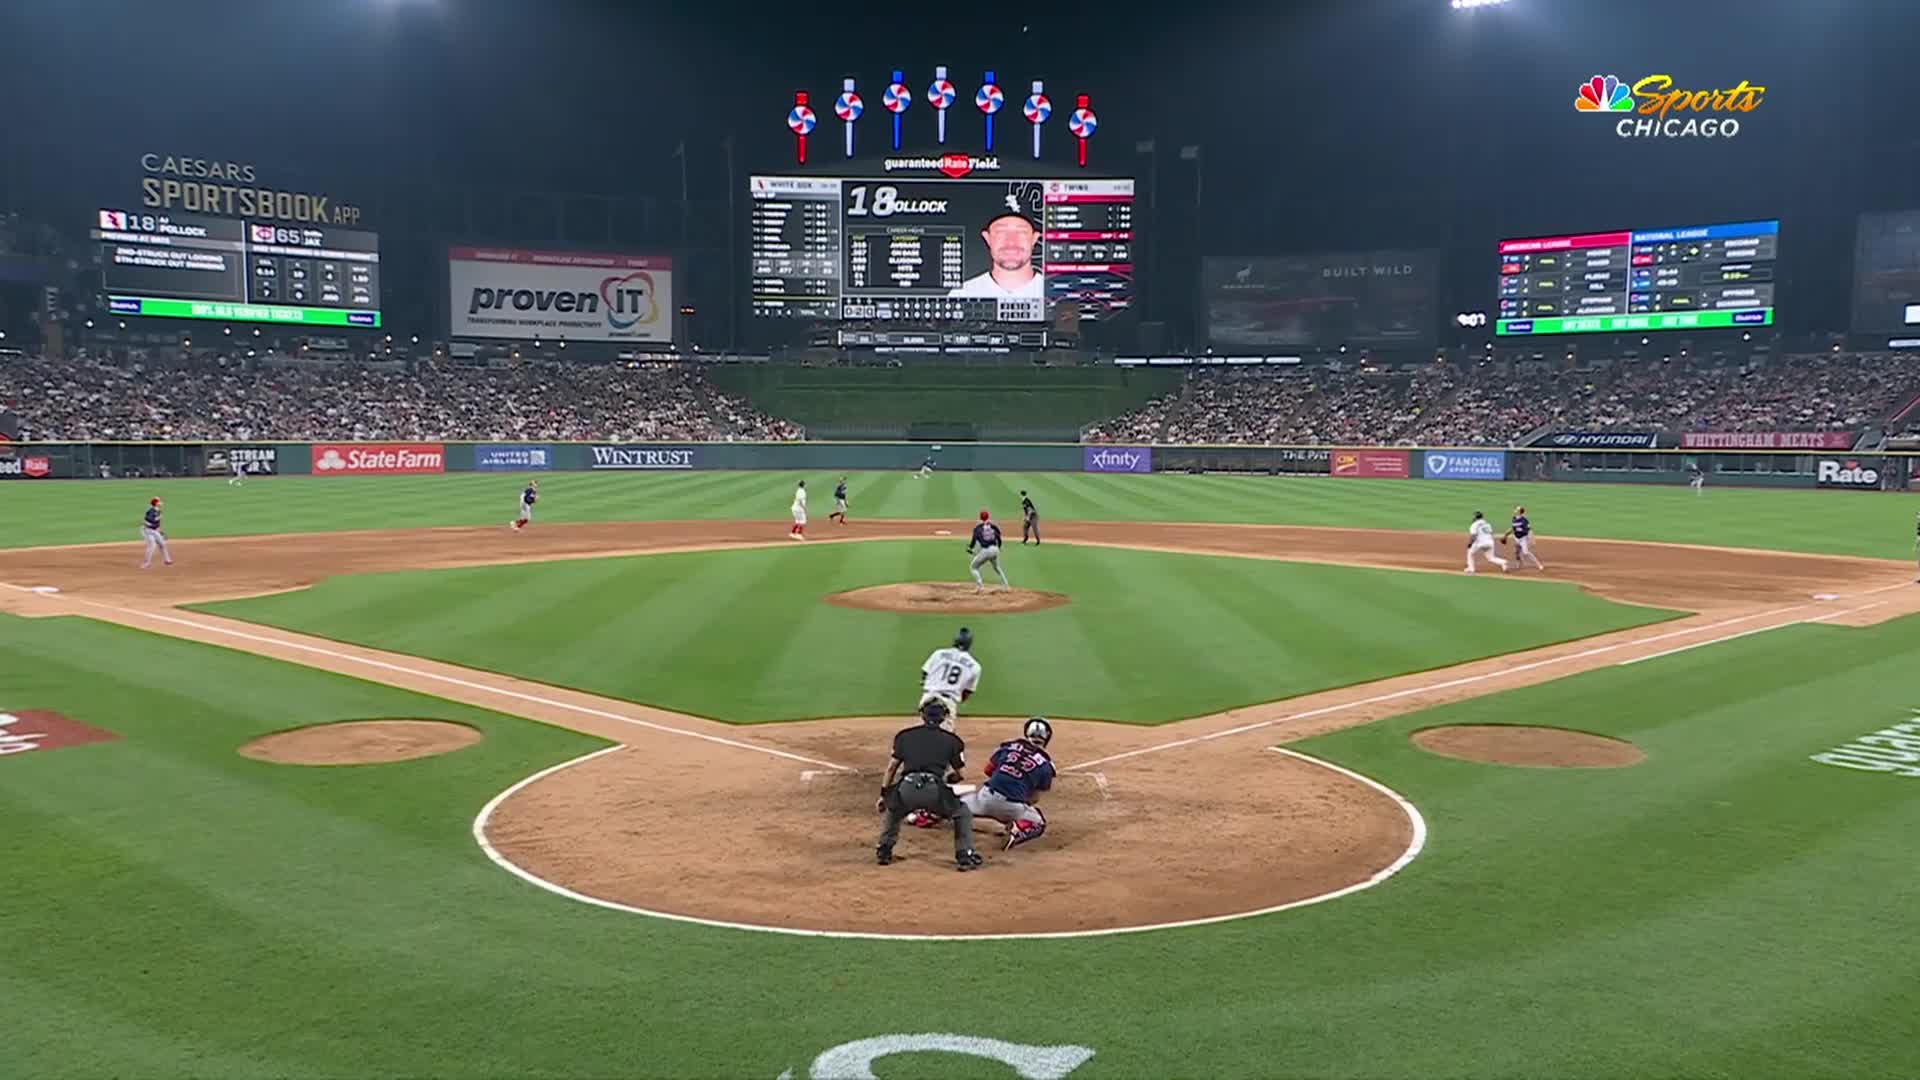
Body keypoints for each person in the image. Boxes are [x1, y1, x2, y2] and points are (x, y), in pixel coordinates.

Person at [875, 699, 983, 872]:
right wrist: (948, 780)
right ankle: (965, 855)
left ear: (922, 716)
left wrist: (883, 795)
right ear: (944, 718)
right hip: (934, 789)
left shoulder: (904, 736)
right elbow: (960, 775)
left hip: (907, 787)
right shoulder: (953, 740)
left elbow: (891, 768)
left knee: (894, 808)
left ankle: (884, 851)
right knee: (961, 813)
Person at [961, 717, 1056, 850]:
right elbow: (1034, 798)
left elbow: (988, 770)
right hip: (1011, 808)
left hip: (985, 797)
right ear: (1047, 738)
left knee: (955, 803)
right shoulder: (1046, 765)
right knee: (1038, 822)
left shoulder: (1008, 747)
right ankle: (1018, 830)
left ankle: (932, 813)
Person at [949, 202, 1044, 299]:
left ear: (1034, 239)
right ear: (987, 238)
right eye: (1001, 232)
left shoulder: (1055, 294)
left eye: (1021, 232)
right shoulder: (963, 295)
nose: (1011, 242)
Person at [916, 626, 981, 734]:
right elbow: (967, 692)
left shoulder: (938, 653)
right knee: (945, 736)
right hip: (948, 702)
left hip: (927, 697)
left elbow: (925, 673)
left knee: (923, 732)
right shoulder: (975, 666)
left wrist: (927, 683)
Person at [968, 509, 1010, 592]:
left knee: (973, 567)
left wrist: (970, 548)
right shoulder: (993, 526)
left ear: (980, 518)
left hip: (986, 550)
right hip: (995, 549)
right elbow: (999, 537)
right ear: (988, 517)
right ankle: (1006, 586)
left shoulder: (977, 529)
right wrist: (999, 547)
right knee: (997, 568)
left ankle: (980, 587)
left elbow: (973, 541)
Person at [1501, 504, 1545, 572]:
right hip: (1516, 538)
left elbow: (1529, 530)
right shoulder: (1514, 518)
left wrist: (1531, 539)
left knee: (1526, 552)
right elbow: (1513, 528)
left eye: (1517, 510)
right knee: (1516, 552)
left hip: (1523, 538)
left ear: (1520, 512)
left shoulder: (1524, 520)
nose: (1515, 511)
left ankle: (1539, 564)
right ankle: (1519, 563)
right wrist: (1505, 535)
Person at [1464, 510, 1507, 574]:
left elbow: (1474, 536)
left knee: (1470, 553)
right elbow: (1490, 533)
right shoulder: (1487, 524)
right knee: (1491, 558)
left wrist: (1470, 543)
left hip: (1480, 543)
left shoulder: (1474, 525)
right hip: (1490, 542)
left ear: (1476, 517)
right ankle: (1503, 562)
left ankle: (1471, 568)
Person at [140, 497, 173, 569]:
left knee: (162, 544)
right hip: (147, 531)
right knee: (152, 545)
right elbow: (145, 521)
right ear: (156, 503)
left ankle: (167, 560)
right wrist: (150, 525)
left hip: (154, 530)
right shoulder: (151, 511)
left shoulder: (159, 511)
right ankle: (146, 563)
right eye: (159, 502)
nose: (161, 503)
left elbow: (158, 523)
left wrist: (160, 532)